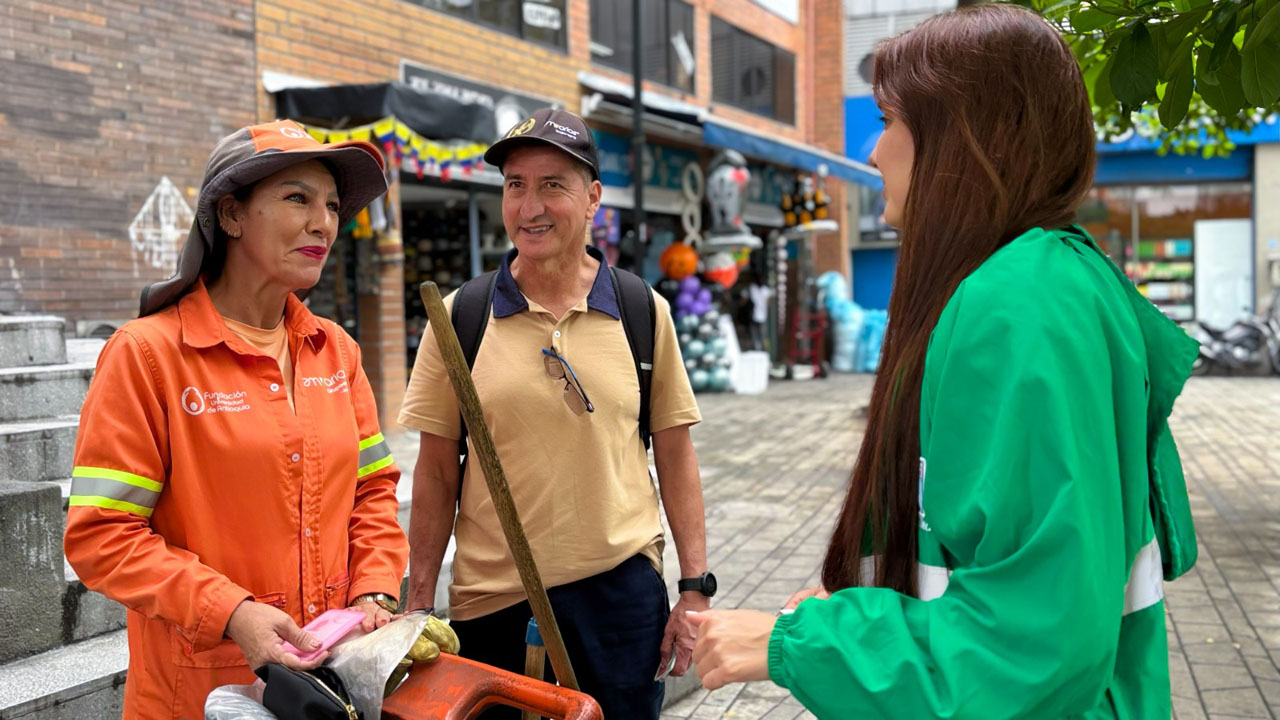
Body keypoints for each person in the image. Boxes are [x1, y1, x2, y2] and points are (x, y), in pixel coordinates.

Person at [686, 5, 1200, 718]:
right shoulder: (1059, 277)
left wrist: (796, 641)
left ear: (962, 134)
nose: (872, 153)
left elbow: (1028, 650)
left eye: (890, 120)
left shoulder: (1017, 303)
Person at [63, 120, 409, 719]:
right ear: (230, 214)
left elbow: (373, 490)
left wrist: (373, 589)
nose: (324, 222)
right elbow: (102, 535)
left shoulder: (337, 351)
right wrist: (231, 611)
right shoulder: (148, 354)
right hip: (198, 692)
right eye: (296, 197)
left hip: (331, 684)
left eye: (331, 205)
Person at [399, 108, 713, 719]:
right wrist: (416, 607)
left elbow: (676, 458)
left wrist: (695, 590)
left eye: (552, 185)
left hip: (619, 598)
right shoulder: (460, 318)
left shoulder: (641, 311)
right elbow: (435, 471)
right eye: (515, 185)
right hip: (492, 604)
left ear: (593, 197)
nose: (530, 205)